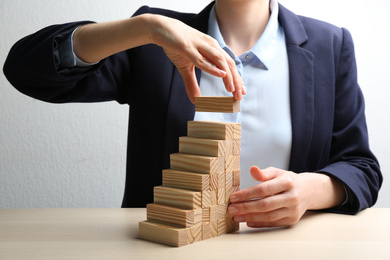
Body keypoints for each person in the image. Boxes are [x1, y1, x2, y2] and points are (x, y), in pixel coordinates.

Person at [3, 0, 382, 228]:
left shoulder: (330, 45)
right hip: (167, 249)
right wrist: (144, 28)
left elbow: (361, 167)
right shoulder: (153, 38)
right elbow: (24, 70)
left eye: (147, 29)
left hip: (286, 248)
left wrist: (312, 190)